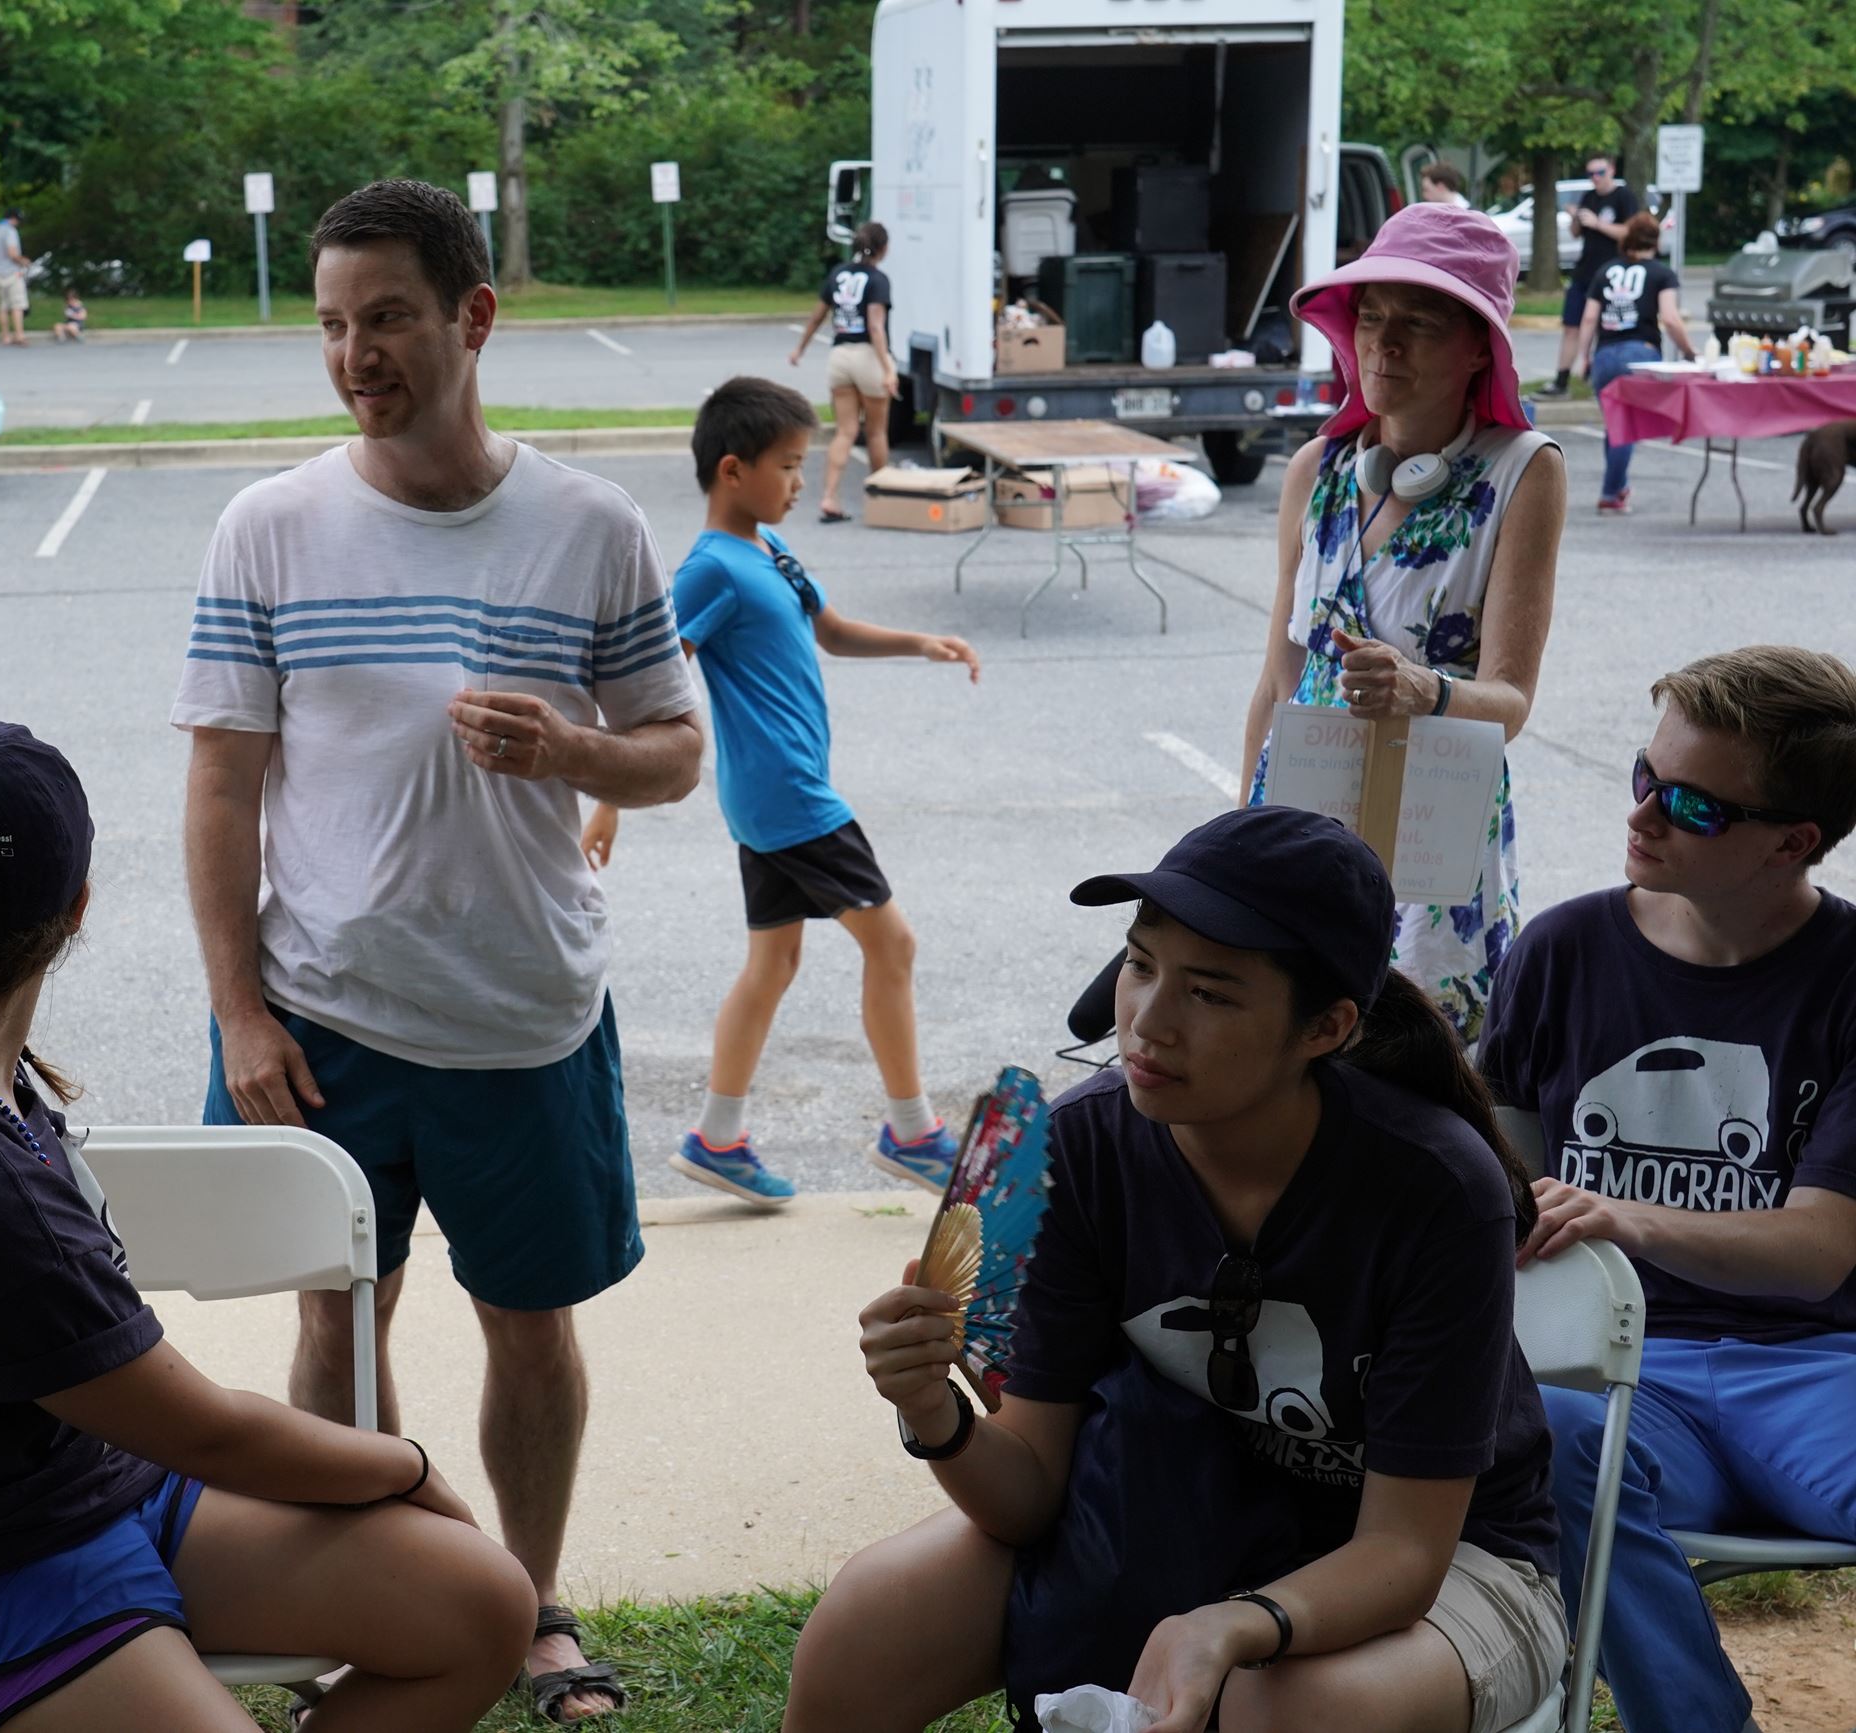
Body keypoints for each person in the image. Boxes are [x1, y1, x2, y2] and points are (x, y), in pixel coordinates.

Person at [172, 178, 703, 1724]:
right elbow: (220, 785)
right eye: (334, 325)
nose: (357, 354)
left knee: (529, 1332)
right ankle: (398, 1586)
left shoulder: (588, 525)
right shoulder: (266, 527)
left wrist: (573, 755)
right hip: (317, 1012)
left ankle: (534, 1606)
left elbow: (675, 753)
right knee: (334, 1325)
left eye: (388, 317)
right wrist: (237, 1011)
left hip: (523, 1012)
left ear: (474, 317)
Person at [0, 718, 535, 1733]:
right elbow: (209, 1428)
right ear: (73, 909)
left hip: (77, 1474)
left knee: (482, 1606)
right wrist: (409, 1464)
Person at [786, 807, 1565, 1733]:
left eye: (1211, 992)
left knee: (1276, 1711)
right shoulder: (1082, 1146)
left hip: (1454, 1558)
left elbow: (1403, 1550)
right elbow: (1030, 1488)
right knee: (863, 1628)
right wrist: (934, 1410)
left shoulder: (1435, 1186)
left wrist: (1236, 1623)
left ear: (1326, 1026)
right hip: (1179, 1503)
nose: (1147, 1022)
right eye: (1140, 964)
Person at [1478, 645, 1856, 1733]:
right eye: (1642, 777)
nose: (1643, 813)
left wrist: (1617, 1214)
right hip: (1621, 1375)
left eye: (1690, 803)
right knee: (1533, 1429)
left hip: (1816, 1368)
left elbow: (1818, 1246)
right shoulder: (1556, 952)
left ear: (1793, 840)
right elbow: (1494, 1191)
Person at [579, 377, 980, 1207]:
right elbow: (651, 680)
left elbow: (829, 631)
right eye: (790, 467)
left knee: (774, 959)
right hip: (791, 796)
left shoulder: (768, 551)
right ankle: (913, 1132)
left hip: (776, 798)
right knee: (892, 945)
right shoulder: (708, 570)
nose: (802, 482)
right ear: (734, 469)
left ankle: (717, 1137)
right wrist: (610, 791)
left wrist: (920, 642)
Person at [1238, 201, 1566, 1044]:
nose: (1383, 344)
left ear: (1476, 351)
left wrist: (1423, 689)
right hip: (1304, 817)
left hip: (1433, 828)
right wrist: (1241, 828)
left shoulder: (1523, 473)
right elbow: (1280, 675)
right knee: (1287, 1053)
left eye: (1418, 322)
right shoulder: (1318, 466)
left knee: (1410, 1068)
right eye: (1372, 317)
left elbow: (1513, 702)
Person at [1577, 212, 1695, 515]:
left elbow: (1589, 317)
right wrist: (1689, 351)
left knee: (1614, 426)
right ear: (1656, 241)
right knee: (1624, 427)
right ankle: (1611, 493)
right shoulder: (1661, 273)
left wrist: (1582, 357)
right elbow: (1670, 318)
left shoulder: (1605, 271)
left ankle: (1619, 487)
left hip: (1605, 355)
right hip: (1640, 355)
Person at [790, 220, 896, 524]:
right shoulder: (878, 280)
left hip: (839, 357)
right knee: (876, 431)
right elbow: (876, 327)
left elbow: (816, 317)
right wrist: (887, 368)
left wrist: (800, 349)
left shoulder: (837, 274)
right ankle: (881, 496)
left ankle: (830, 497)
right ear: (883, 248)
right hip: (867, 357)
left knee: (845, 431)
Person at [1543, 154, 1640, 398]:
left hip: (1612, 274)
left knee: (1604, 327)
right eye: (1591, 174)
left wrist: (1598, 224)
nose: (1595, 178)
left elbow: (1629, 233)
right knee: (1571, 325)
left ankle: (1597, 375)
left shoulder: (1624, 197)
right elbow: (1576, 233)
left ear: (1611, 170)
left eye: (1600, 172)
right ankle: (1562, 380)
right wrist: (1576, 218)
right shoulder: (1588, 197)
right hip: (1585, 270)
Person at [0, 207, 30, 347]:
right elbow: (12, 253)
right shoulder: (10, 231)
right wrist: (24, 261)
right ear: (13, 218)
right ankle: (19, 335)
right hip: (12, 273)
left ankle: (5, 336)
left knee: (3, 306)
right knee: (17, 305)